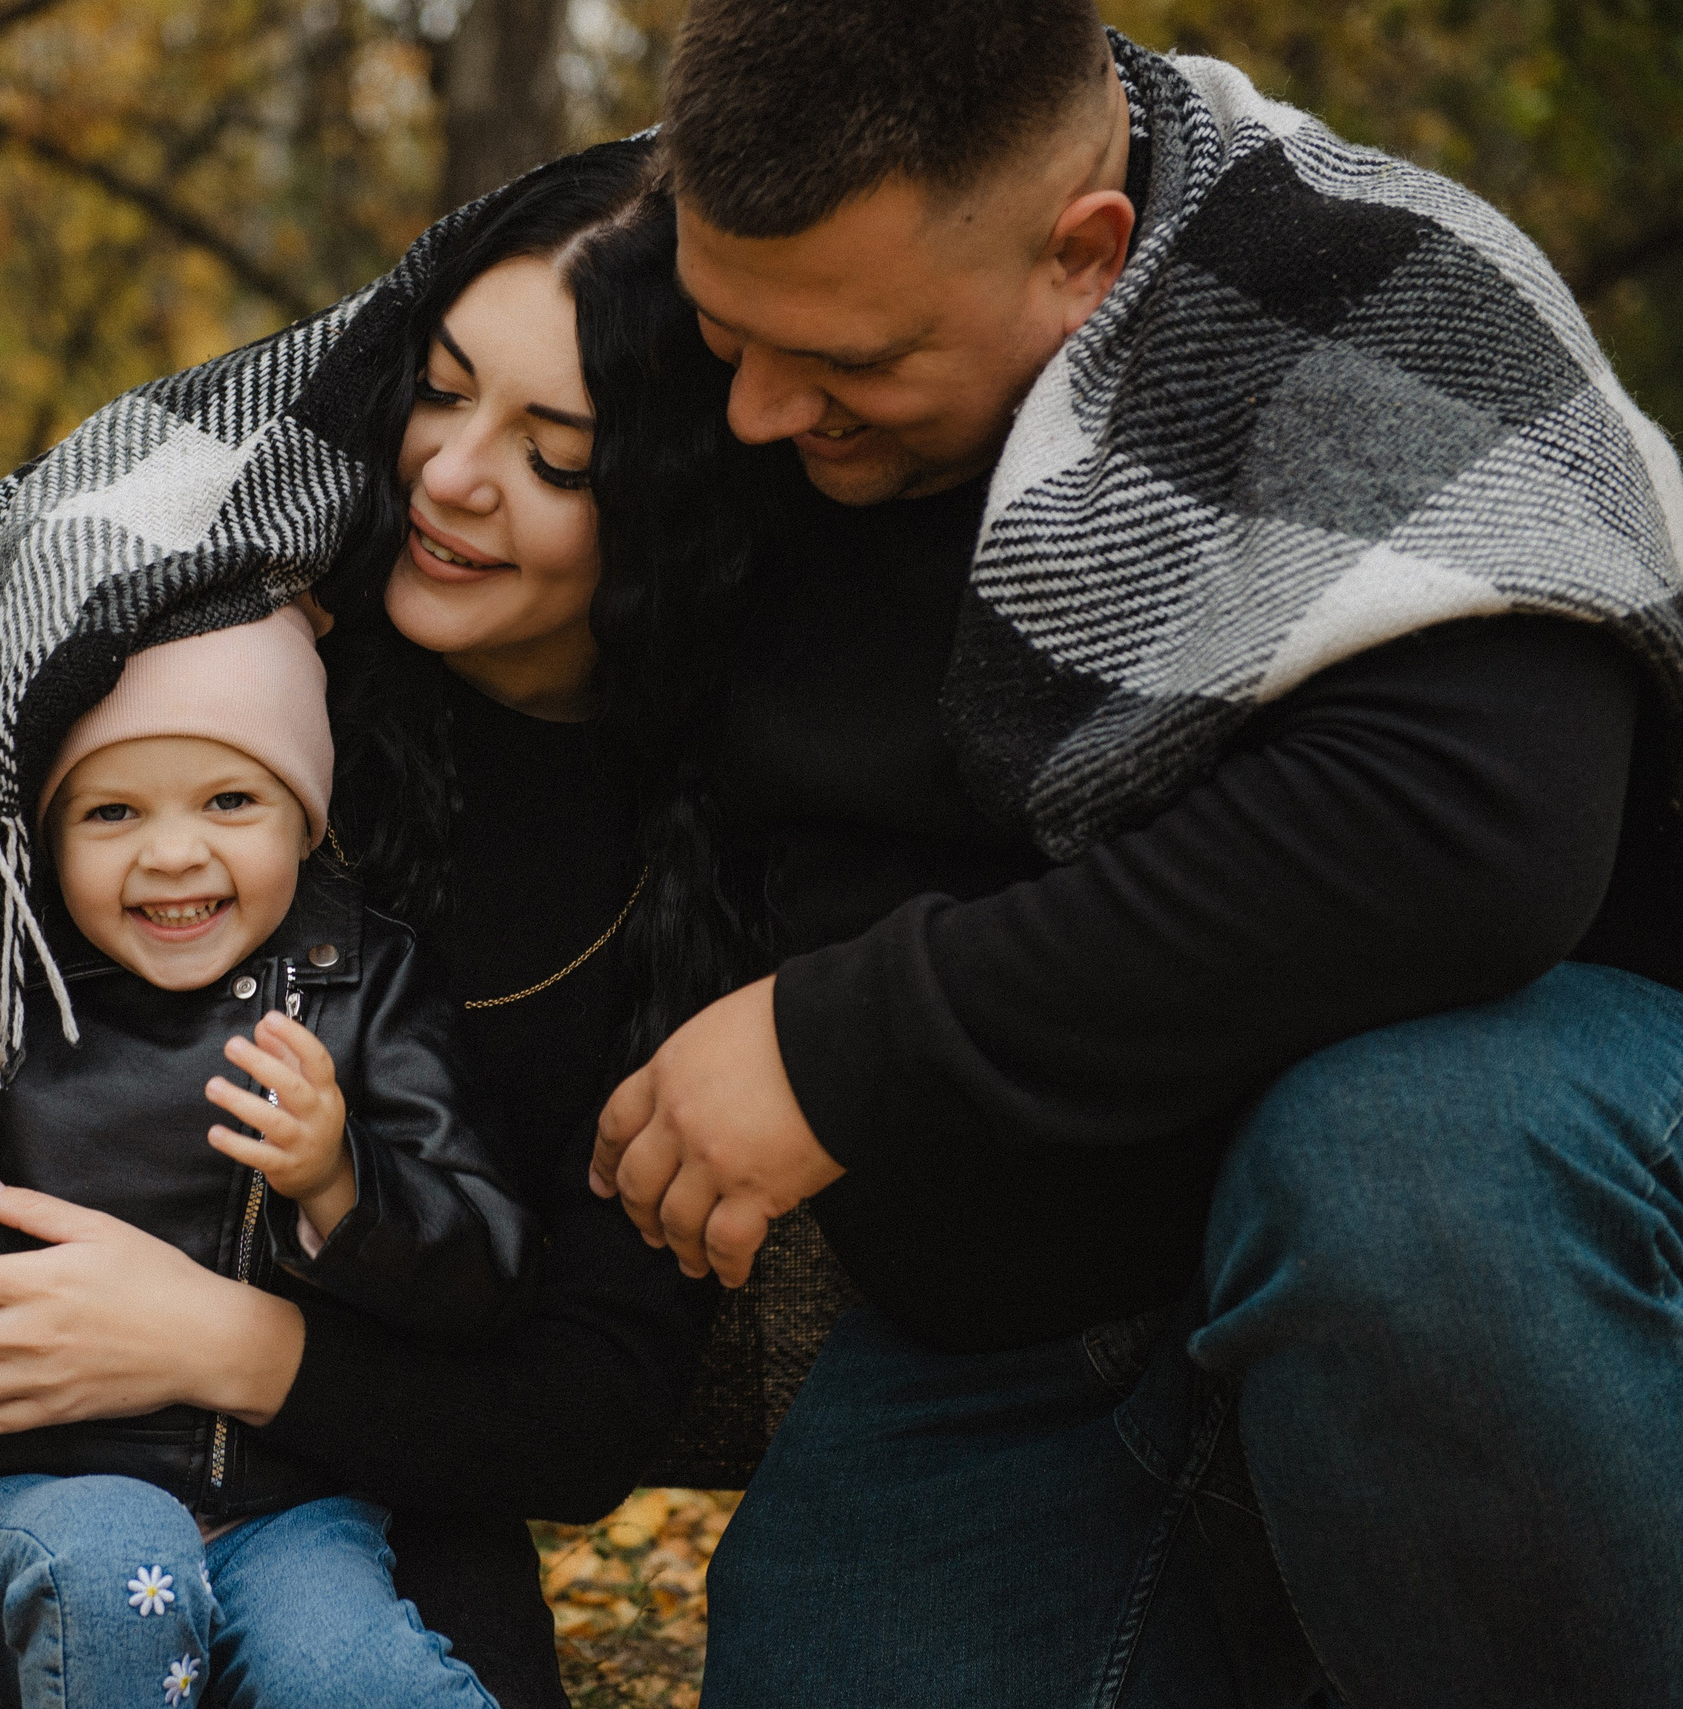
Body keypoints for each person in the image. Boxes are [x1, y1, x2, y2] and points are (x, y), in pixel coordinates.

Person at [580, 4, 1683, 1707]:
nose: (756, 409)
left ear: (1082, 255)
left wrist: (840, 1043)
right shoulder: (714, 270)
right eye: (731, 330)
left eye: (853, 365)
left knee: (1389, 1161)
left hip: (1540, 1143)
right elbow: (269, 457)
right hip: (1039, 1279)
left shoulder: (1366, 284)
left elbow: (1471, 835)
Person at [0, 141, 770, 1708]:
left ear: (676, 496)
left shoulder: (711, 853)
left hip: (346, 1463)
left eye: (556, 457)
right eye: (436, 387)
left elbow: (587, 1400)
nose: (447, 475)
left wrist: (224, 1343)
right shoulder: (215, 629)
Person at [0, 604, 528, 1708]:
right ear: (47, 837)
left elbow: (481, 1259)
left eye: (231, 798)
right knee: (119, 1561)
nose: (173, 850)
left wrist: (340, 1179)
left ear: (306, 817)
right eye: (111, 809)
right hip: (23, 1489)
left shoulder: (364, 983)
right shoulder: (3, 982)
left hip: (284, 1508)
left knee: (360, 1673)